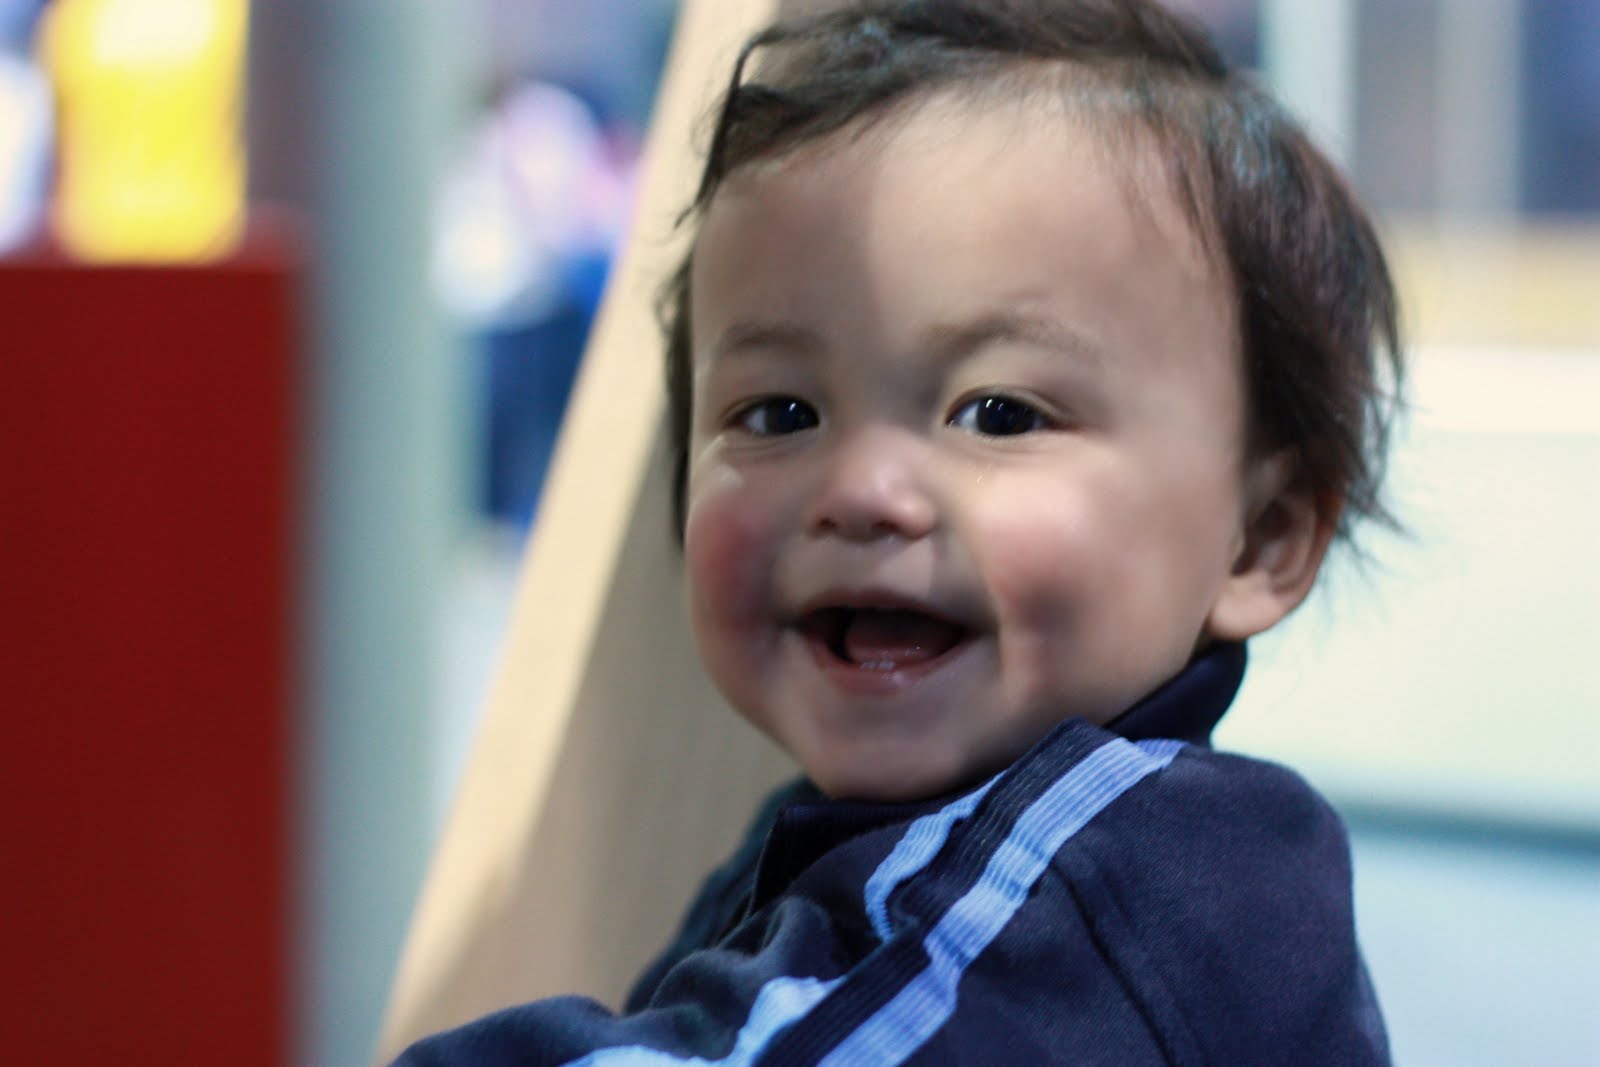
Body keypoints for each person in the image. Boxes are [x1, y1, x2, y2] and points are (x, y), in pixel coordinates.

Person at [395, 0, 1401, 1062]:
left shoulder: (1135, 878)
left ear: (1260, 537)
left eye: (999, 414)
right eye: (778, 413)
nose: (863, 490)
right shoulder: (856, 837)